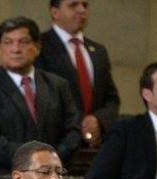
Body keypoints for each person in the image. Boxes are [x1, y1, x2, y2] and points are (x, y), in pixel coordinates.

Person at [0, 16, 81, 174]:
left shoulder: (58, 85)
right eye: (8, 42)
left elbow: (73, 131)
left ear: (37, 47)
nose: (16, 49)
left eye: (23, 42)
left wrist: (52, 161)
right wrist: (37, 161)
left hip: (53, 178)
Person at [35, 0, 120, 148]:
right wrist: (81, 123)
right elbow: (41, 96)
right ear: (55, 12)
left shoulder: (98, 51)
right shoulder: (38, 47)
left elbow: (111, 98)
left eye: (85, 5)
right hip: (56, 143)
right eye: (73, 5)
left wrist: (98, 120)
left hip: (95, 145)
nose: (81, 10)